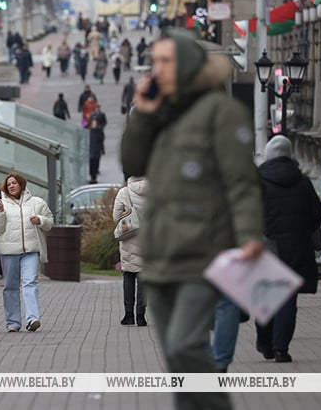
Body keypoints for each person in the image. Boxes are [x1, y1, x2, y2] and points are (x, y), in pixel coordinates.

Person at [121, 29, 264, 409]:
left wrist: (250, 235)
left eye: (166, 61)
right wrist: (142, 115)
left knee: (186, 345)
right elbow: (132, 163)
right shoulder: (159, 113)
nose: (158, 69)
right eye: (155, 61)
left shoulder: (221, 112)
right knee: (175, 357)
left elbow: (241, 182)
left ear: (187, 64)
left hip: (204, 252)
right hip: (160, 254)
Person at [256, 135, 321, 363]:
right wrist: (303, 230)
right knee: (287, 298)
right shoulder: (302, 182)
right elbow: (317, 212)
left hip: (266, 246)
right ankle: (281, 348)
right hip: (296, 247)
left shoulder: (259, 182)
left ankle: (265, 342)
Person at [0, 173, 54, 332]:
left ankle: (33, 319)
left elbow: (49, 223)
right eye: (8, 185)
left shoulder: (37, 202)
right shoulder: (1, 204)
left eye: (14, 183)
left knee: (30, 282)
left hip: (31, 250)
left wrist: (40, 220)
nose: (11, 186)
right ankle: (13, 322)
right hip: (9, 252)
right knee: (10, 286)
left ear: (21, 184)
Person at [113, 177, 147, 326]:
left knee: (128, 276)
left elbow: (115, 217)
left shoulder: (124, 192)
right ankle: (141, 316)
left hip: (129, 238)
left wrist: (125, 215)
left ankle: (128, 315)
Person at [89, 118, 104, 183]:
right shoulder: (89, 131)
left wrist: (102, 150)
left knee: (95, 163)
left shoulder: (99, 131)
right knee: (91, 164)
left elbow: (101, 141)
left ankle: (94, 178)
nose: (94, 125)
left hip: (96, 150)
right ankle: (92, 176)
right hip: (91, 150)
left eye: (95, 124)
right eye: (93, 124)